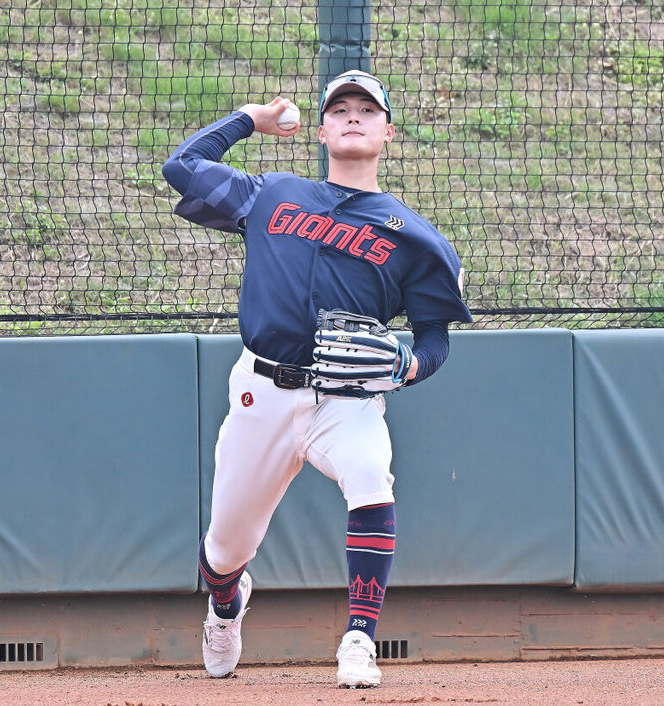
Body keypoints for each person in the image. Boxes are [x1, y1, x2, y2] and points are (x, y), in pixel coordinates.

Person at [162, 69, 472, 688]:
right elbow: (183, 167)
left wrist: (410, 365)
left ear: (388, 132)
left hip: (346, 399)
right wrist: (250, 119)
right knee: (223, 552)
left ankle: (359, 639)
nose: (353, 116)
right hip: (262, 392)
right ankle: (227, 604)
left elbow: (436, 336)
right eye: (341, 108)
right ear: (323, 129)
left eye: (367, 109)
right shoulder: (271, 194)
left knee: (370, 476)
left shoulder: (416, 238)